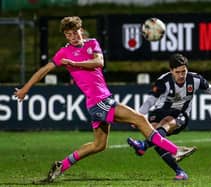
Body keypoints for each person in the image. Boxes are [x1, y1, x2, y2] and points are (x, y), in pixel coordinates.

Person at [14, 16, 191, 183]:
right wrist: (25, 89)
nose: (73, 37)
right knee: (140, 119)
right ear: (65, 35)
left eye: (75, 32)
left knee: (99, 145)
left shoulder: (92, 44)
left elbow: (99, 62)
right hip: (99, 101)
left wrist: (75, 64)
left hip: (99, 102)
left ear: (81, 30)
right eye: (68, 34)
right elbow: (43, 70)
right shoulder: (63, 53)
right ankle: (174, 151)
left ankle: (62, 165)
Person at [127, 53, 211, 180]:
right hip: (159, 112)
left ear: (187, 69)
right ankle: (180, 172)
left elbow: (210, 89)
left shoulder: (195, 79)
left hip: (180, 114)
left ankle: (143, 146)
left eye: (184, 71)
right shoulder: (163, 81)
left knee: (165, 123)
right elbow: (150, 101)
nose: (181, 75)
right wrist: (139, 115)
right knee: (157, 140)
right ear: (171, 71)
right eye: (177, 72)